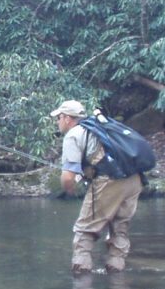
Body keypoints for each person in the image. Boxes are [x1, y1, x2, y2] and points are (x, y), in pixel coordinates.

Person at [51, 99, 143, 274]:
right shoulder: (99, 127)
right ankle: (117, 275)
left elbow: (68, 178)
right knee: (119, 228)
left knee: (85, 230)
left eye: (58, 118)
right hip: (134, 179)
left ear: (67, 118)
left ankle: (81, 277)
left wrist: (68, 189)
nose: (57, 122)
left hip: (111, 180)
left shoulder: (73, 135)